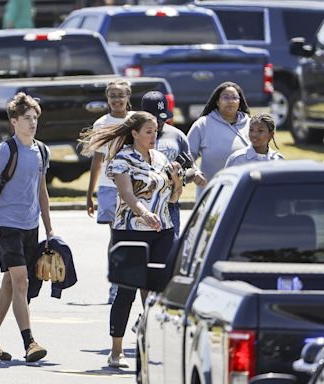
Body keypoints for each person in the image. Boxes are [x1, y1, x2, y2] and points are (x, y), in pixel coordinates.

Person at [81, 111, 183, 368]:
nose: (153, 136)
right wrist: (144, 213)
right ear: (134, 133)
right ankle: (116, 350)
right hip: (130, 231)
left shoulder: (160, 158)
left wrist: (178, 182)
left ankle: (152, 344)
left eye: (155, 131)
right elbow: (126, 194)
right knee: (126, 291)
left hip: (162, 230)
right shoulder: (121, 160)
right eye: (148, 131)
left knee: (160, 291)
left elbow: (172, 198)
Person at [0, 92, 53, 363]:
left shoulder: (42, 150)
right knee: (20, 281)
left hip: (30, 226)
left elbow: (42, 192)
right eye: (26, 119)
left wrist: (49, 229)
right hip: (7, 224)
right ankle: (29, 342)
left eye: (35, 118)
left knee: (11, 284)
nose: (32, 123)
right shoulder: (4, 151)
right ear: (13, 122)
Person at [85, 79, 134, 304]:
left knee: (134, 235)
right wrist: (90, 193)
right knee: (116, 236)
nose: (116, 99)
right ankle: (115, 284)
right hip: (108, 186)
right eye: (112, 95)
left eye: (120, 95)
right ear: (107, 99)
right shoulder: (101, 123)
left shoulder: (135, 121)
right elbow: (97, 159)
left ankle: (131, 281)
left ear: (128, 97)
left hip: (135, 186)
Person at [141, 90, 207, 236]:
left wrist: (193, 173)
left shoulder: (177, 135)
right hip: (141, 203)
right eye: (154, 119)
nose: (159, 123)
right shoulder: (133, 136)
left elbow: (189, 164)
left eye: (162, 118)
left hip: (170, 202)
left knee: (169, 248)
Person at [187, 81, 251, 199]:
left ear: (239, 101)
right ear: (217, 101)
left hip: (244, 193)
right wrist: (195, 172)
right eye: (225, 97)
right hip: (211, 193)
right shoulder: (203, 124)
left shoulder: (251, 124)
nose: (230, 101)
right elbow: (187, 155)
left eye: (234, 97)